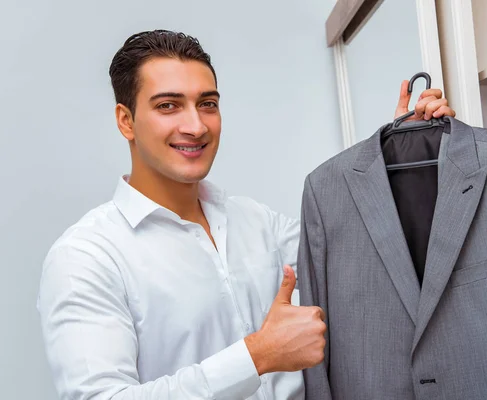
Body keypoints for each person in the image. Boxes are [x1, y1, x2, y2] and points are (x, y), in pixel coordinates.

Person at [37, 30, 456, 400]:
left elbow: (358, 255)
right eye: (168, 106)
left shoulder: (256, 222)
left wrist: (400, 149)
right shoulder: (86, 257)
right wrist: (257, 356)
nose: (196, 126)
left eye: (207, 104)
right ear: (125, 121)